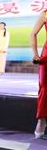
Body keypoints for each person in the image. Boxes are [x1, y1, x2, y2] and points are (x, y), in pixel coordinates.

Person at [31, 10, 47, 138]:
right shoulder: (45, 14)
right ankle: (42, 120)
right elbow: (33, 33)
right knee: (44, 86)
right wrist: (36, 54)